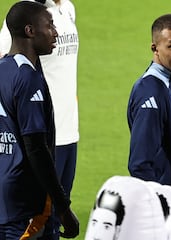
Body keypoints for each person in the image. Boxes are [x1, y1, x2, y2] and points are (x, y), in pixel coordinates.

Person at [0, 1, 79, 239]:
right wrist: (63, 207)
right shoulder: (28, 78)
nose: (55, 32)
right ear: (30, 31)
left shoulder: (6, 68)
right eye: (50, 26)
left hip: (9, 186)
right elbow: (36, 148)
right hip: (24, 195)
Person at [127, 14, 171, 190]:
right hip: (163, 206)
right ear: (155, 48)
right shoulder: (151, 92)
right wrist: (162, 205)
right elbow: (139, 165)